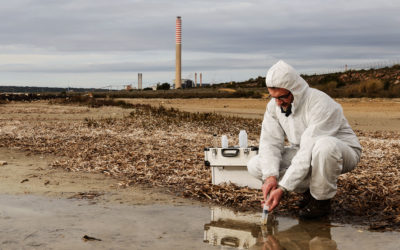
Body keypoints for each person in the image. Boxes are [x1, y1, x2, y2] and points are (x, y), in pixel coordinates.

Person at [247, 60, 362, 219]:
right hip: (303, 150)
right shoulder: (274, 106)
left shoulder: (320, 103)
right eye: (273, 97)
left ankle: (320, 201)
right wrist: (271, 177)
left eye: (282, 97)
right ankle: (310, 189)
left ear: (295, 90)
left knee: (324, 147)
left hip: (341, 151)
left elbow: (309, 148)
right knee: (256, 165)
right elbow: (270, 143)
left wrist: (283, 188)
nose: (278, 102)